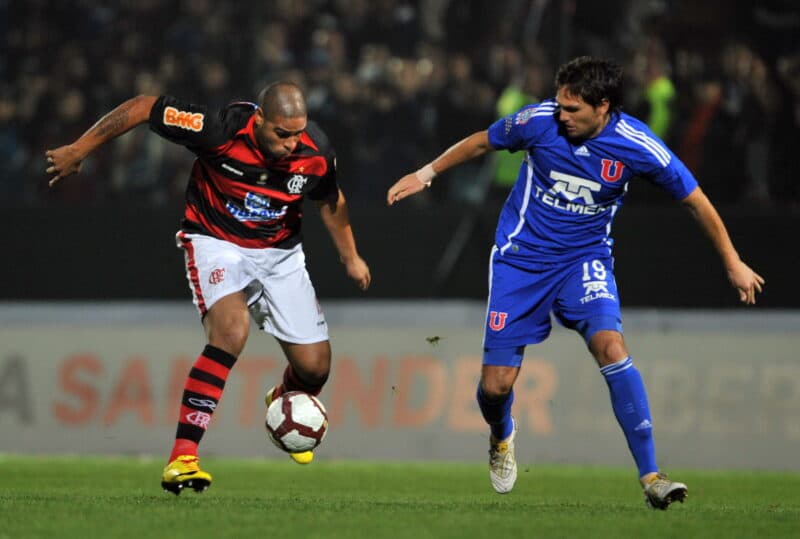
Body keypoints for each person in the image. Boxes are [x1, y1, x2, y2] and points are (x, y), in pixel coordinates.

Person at [387, 56, 764, 509]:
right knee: (496, 387)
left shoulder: (637, 144)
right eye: (560, 104)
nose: (560, 114)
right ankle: (502, 433)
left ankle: (651, 476)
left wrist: (733, 261)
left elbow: (696, 200)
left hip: (584, 261)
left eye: (572, 109)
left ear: (602, 106)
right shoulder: (538, 121)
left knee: (611, 346)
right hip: (521, 261)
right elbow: (481, 143)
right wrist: (425, 174)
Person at [46, 82, 371, 495]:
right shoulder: (217, 129)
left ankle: (282, 399)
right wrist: (80, 149)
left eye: (297, 133)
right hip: (216, 241)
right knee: (231, 332)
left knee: (315, 368)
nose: (292, 144)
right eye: (281, 134)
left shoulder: (316, 153)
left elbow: (331, 200)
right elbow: (145, 106)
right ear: (259, 121)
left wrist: (350, 256)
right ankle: (183, 458)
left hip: (279, 253)